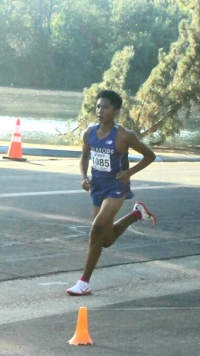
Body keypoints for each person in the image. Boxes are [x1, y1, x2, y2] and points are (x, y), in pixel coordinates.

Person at [67, 89, 157, 296]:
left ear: (115, 110)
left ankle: (84, 282)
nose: (100, 111)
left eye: (105, 107)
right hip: (97, 186)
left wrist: (129, 172)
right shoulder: (89, 132)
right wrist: (83, 177)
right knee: (105, 240)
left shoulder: (124, 135)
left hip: (116, 187)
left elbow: (149, 155)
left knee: (96, 228)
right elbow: (84, 158)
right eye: (98, 106)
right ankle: (137, 214)